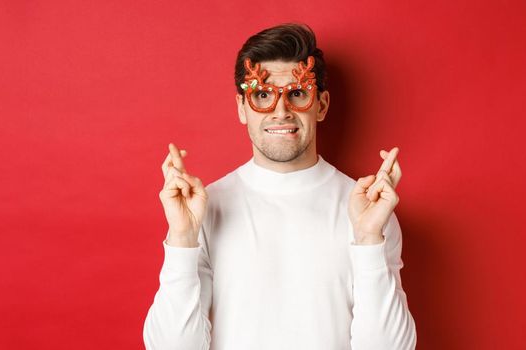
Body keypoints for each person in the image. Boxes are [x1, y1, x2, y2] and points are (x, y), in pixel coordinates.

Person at [143, 23, 417, 349]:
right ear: (242, 108)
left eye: (298, 93)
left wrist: (369, 239)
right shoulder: (204, 209)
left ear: (322, 104)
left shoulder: (369, 211)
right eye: (262, 95)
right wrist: (182, 240)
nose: (281, 111)